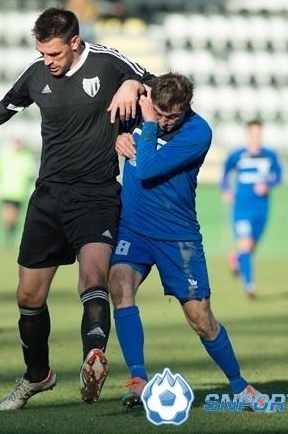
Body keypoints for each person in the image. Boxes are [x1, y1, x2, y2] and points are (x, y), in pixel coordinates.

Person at [0, 7, 154, 410]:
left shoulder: (108, 63)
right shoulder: (37, 74)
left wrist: (132, 83)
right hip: (49, 197)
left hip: (96, 195)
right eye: (42, 53)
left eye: (54, 53)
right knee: (28, 295)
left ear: (74, 42)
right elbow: (0, 109)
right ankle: (37, 375)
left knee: (94, 276)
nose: (48, 61)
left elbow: (160, 85)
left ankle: (93, 359)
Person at [110, 73, 264, 409]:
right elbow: (110, 119)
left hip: (177, 236)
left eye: (172, 116)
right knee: (119, 285)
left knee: (200, 318)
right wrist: (118, 137)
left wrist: (148, 124)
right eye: (159, 114)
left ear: (186, 107)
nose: (165, 121)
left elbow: (147, 168)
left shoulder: (198, 132)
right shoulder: (139, 109)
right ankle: (138, 379)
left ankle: (240, 385)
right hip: (134, 228)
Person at [221, 120, 282, 299]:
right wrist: (226, 189)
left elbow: (279, 175)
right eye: (253, 134)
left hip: (261, 207)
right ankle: (250, 286)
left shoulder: (270, 155)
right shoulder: (238, 155)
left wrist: (268, 184)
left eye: (258, 134)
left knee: (251, 247)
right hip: (241, 207)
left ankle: (236, 259)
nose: (256, 137)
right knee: (246, 244)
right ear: (248, 134)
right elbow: (225, 171)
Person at [0, 138, 37, 248]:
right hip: (6, 191)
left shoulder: (28, 157)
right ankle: (7, 237)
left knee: (14, 218)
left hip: (20, 193)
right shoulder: (5, 156)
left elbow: (31, 174)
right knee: (7, 215)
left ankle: (9, 237)